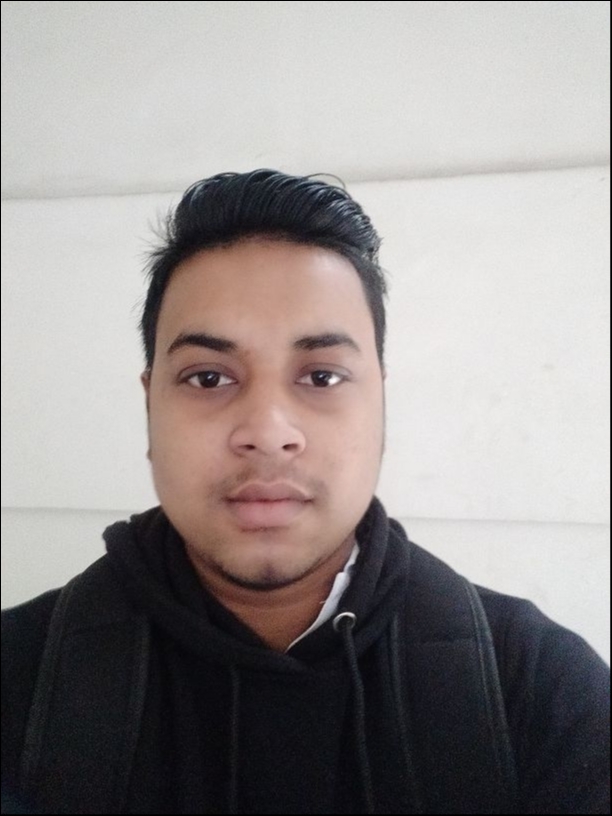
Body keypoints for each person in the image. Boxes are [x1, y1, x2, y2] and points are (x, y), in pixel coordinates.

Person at [1, 169, 609, 815]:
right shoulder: (20, 676)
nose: (268, 434)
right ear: (150, 406)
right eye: (208, 378)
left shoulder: (539, 687)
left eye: (321, 376)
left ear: (380, 405)